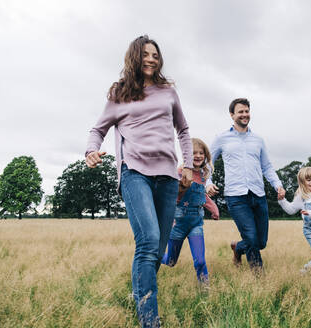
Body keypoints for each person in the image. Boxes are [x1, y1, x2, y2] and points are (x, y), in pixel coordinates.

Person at [85, 35, 193, 327]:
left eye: (155, 55)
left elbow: (183, 130)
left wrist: (188, 166)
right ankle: (149, 318)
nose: (151, 59)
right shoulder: (119, 94)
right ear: (135, 57)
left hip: (168, 175)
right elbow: (98, 129)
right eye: (145, 54)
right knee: (147, 242)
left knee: (158, 249)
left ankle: (139, 291)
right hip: (134, 172)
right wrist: (91, 151)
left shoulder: (168, 93)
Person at [206, 98, 285, 272]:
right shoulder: (221, 138)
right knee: (251, 237)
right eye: (240, 111)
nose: (244, 114)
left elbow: (267, 166)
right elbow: (207, 163)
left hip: (258, 194)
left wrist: (277, 185)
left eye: (247, 111)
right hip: (236, 197)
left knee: (260, 242)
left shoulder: (258, 140)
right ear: (232, 115)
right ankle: (259, 279)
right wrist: (208, 182)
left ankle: (238, 247)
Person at [161, 138, 219, 284]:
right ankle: (154, 255)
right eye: (194, 153)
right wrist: (182, 186)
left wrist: (214, 209)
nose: (198, 156)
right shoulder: (180, 172)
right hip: (177, 225)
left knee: (200, 261)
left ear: (206, 155)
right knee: (171, 261)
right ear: (186, 155)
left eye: (201, 153)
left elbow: (201, 195)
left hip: (196, 224)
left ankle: (205, 292)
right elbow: (170, 194)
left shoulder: (204, 174)